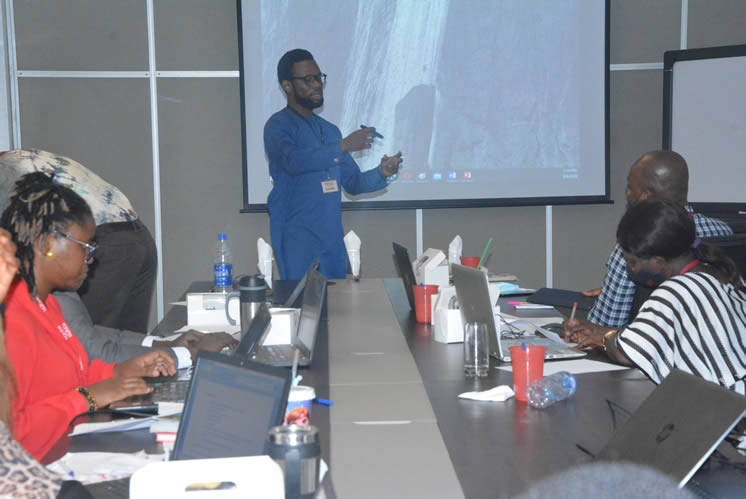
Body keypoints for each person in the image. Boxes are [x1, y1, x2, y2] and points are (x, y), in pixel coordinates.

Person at [1, 172, 176, 460]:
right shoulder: (11, 320)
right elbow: (12, 440)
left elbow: (70, 376)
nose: (90, 259)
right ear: (46, 244)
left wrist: (119, 372)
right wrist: (87, 399)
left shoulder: (48, 304)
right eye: (85, 247)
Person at [565, 200, 746, 394]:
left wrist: (604, 339)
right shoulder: (721, 273)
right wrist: (598, 331)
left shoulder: (674, 291)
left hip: (726, 405)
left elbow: (625, 353)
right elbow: (666, 335)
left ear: (658, 261)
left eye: (632, 262)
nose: (632, 269)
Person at [264, 49, 403, 280]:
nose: (317, 84)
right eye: (308, 79)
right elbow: (292, 161)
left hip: (332, 242)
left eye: (319, 77)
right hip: (297, 240)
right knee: (302, 302)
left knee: (340, 302)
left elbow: (354, 183)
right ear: (287, 85)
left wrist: (382, 172)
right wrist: (342, 147)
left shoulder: (330, 131)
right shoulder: (278, 126)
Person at [0, 149, 157, 333]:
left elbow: (16, 233)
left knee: (80, 339)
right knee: (129, 341)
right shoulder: (19, 157)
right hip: (137, 236)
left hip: (99, 243)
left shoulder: (6, 171)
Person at [584, 150, 732, 328]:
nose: (627, 194)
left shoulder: (636, 243)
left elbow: (605, 323)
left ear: (646, 196)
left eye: (630, 188)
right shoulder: (724, 231)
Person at [54, 290, 237, 366]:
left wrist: (163, 345)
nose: (90, 258)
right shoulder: (55, 295)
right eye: (84, 247)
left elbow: (93, 333)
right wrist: (188, 354)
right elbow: (98, 354)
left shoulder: (60, 291)